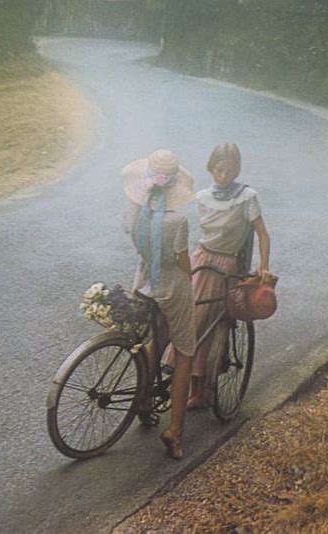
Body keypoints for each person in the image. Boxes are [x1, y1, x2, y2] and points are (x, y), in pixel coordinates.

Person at [164, 142, 270, 409]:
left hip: (226, 267)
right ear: (211, 168)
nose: (224, 175)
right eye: (219, 169)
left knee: (211, 325)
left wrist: (263, 266)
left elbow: (262, 234)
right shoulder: (202, 197)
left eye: (230, 170)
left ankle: (199, 390)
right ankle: (183, 379)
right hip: (201, 259)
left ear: (237, 170)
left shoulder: (247, 197)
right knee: (188, 318)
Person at [122, 149, 196, 459]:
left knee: (154, 337)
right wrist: (192, 270)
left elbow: (132, 236)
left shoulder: (136, 208)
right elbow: (181, 261)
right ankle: (175, 430)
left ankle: (142, 400)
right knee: (184, 352)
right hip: (171, 289)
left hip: (143, 283)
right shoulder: (177, 220)